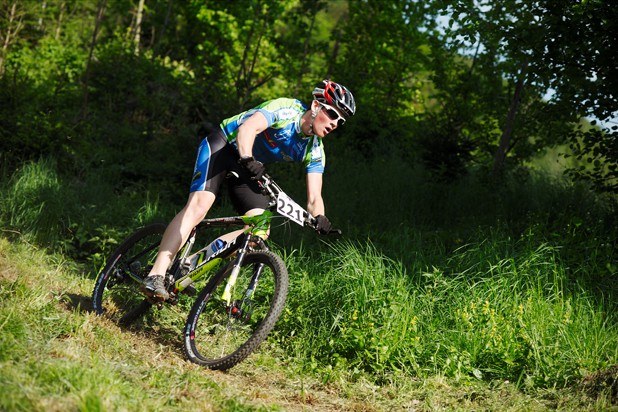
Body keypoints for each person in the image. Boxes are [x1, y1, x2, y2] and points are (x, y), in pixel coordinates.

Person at [141, 79, 356, 300]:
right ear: (315, 106)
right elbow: (248, 129)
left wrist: (319, 217)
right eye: (332, 114)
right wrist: (247, 157)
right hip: (224, 146)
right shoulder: (286, 109)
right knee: (199, 206)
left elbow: (314, 197)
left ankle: (189, 263)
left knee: (259, 231)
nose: (335, 123)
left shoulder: (315, 150)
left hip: (248, 166)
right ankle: (155, 274)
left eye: (340, 121)